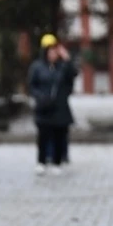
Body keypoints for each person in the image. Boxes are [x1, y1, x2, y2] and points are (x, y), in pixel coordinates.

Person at [28, 34, 77, 175]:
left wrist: (67, 59)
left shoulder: (62, 66)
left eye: (55, 51)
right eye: (50, 51)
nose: (53, 54)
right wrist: (40, 97)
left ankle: (57, 162)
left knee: (59, 136)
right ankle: (41, 162)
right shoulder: (37, 67)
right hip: (44, 107)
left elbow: (72, 74)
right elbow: (32, 86)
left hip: (59, 108)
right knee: (43, 136)